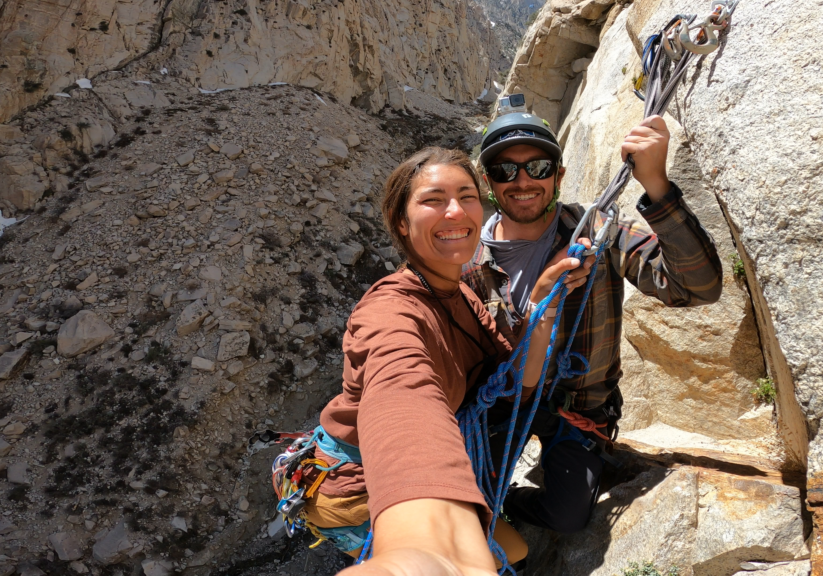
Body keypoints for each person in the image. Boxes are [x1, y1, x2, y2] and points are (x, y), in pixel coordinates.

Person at [292, 147, 594, 576]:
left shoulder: (463, 292)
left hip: (399, 466)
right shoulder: (390, 310)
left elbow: (517, 380)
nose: (455, 212)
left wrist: (545, 300)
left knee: (517, 552)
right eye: (433, 200)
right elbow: (402, 389)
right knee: (507, 556)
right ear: (401, 221)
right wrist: (428, 549)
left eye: (467, 196)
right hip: (359, 483)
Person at [462, 112, 723, 534]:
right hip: (504, 406)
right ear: (489, 181)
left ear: (559, 175)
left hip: (576, 410)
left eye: (539, 168)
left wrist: (656, 185)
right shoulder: (469, 261)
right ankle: (492, 501)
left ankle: (511, 503)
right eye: (505, 169)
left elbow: (696, 287)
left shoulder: (598, 235)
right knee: (469, 499)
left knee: (565, 516)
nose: (522, 180)